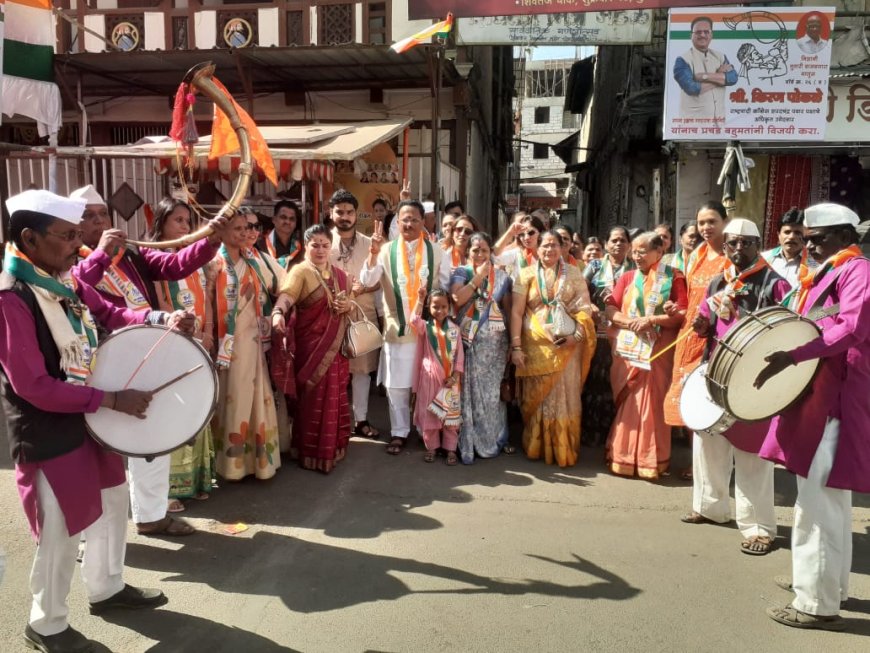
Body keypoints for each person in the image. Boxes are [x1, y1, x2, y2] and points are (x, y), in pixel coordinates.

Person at [0, 190, 194, 653]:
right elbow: (33, 387)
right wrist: (110, 399)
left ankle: (106, 588)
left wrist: (165, 317)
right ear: (29, 238)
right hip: (49, 430)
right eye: (67, 236)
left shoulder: (63, 280)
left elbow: (111, 313)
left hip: (91, 417)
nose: (78, 243)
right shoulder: (12, 297)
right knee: (61, 529)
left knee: (110, 506)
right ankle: (45, 623)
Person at [72, 184, 221, 537]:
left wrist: (211, 240)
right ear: (74, 227)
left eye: (102, 215)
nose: (98, 223)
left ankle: (151, 514)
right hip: (94, 360)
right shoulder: (71, 258)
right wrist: (102, 255)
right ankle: (88, 534)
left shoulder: (130, 255)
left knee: (147, 430)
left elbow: (172, 264)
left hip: (142, 349)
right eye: (88, 218)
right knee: (94, 446)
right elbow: (78, 289)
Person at [755, 203, 870, 631]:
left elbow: (852, 327)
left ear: (843, 236)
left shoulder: (857, 270)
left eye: (818, 240)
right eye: (808, 239)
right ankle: (829, 587)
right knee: (831, 500)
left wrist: (794, 355)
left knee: (816, 504)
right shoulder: (831, 272)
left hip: (833, 401)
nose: (810, 247)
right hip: (825, 396)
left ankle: (816, 604)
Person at [682, 219, 790, 557]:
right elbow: (704, 321)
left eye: (746, 243)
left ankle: (759, 527)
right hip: (717, 371)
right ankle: (711, 507)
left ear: (758, 245)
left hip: (754, 380)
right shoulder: (719, 280)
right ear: (725, 247)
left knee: (751, 454)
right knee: (709, 442)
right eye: (732, 244)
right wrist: (701, 324)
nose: (739, 250)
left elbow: (786, 328)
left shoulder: (775, 284)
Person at [360, 201, 446, 455]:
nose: (408, 224)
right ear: (397, 222)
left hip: (426, 330)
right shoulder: (385, 250)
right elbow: (367, 280)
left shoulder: (436, 251)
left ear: (423, 222)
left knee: (426, 383)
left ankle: (424, 429)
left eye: (414, 219)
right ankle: (399, 431)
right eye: (404, 219)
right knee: (397, 386)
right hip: (396, 329)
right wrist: (372, 254)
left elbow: (444, 285)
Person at [148, 198, 217, 511]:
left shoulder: (193, 259)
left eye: (188, 221)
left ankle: (195, 480)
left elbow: (207, 299)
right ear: (161, 223)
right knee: (171, 413)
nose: (185, 227)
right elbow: (162, 305)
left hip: (198, 340)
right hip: (172, 342)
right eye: (178, 220)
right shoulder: (155, 259)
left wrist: (208, 333)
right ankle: (167, 490)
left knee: (195, 408)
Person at [272, 224, 354, 473]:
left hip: (336, 347)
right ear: (305, 246)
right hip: (312, 349)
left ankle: (332, 447)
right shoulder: (300, 272)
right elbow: (287, 296)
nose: (320, 250)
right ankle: (309, 450)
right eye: (314, 245)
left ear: (331, 247)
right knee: (313, 398)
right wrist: (278, 312)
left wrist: (347, 305)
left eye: (325, 245)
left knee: (336, 395)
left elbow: (349, 301)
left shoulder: (340, 275)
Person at [605, 232, 687, 480]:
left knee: (652, 404)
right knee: (630, 402)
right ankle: (623, 457)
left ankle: (652, 460)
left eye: (642, 251)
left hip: (659, 350)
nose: (636, 255)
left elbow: (683, 312)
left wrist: (652, 319)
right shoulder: (628, 277)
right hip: (631, 350)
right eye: (635, 251)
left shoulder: (674, 277)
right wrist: (631, 323)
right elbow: (611, 308)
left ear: (659, 253)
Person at [510, 230, 595, 467]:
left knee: (565, 395)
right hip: (535, 344)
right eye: (545, 246)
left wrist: (576, 336)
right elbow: (516, 312)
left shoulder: (575, 274)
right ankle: (537, 446)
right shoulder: (525, 274)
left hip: (567, 346)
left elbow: (585, 310)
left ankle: (563, 448)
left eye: (554, 245)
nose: (549, 250)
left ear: (563, 248)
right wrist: (516, 347)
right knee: (538, 396)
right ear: (537, 249)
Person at [212, 212, 282, 481]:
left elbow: (285, 283)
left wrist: (279, 311)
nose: (244, 233)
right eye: (237, 228)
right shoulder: (213, 263)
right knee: (233, 398)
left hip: (253, 342)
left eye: (247, 228)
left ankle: (259, 461)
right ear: (221, 232)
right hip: (227, 344)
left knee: (256, 397)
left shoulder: (254, 260)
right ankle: (231, 465)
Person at [663, 202, 730, 462]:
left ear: (725, 221)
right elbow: (689, 298)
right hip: (687, 334)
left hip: (713, 337)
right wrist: (676, 309)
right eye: (701, 223)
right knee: (690, 397)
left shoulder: (730, 257)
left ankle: (716, 464)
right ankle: (699, 463)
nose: (705, 228)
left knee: (709, 398)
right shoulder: (697, 254)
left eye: (712, 221)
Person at [450, 232, 514, 464]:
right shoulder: (461, 273)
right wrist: (477, 278)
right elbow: (457, 299)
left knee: (491, 395)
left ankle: (494, 439)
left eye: (484, 250)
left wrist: (512, 345)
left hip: (495, 347)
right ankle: (468, 441)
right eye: (475, 250)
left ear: (490, 253)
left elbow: (508, 311)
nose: (479, 254)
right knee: (469, 393)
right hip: (469, 343)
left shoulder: (503, 278)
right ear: (467, 252)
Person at [327, 190, 382, 440]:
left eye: (349, 212)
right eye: (340, 212)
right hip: (330, 313)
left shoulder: (370, 244)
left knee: (361, 371)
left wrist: (356, 290)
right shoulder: (321, 243)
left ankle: (360, 420)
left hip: (361, 314)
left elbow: (379, 282)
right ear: (331, 213)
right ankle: (335, 420)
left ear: (355, 214)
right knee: (333, 370)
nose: (345, 216)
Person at [582, 226, 635, 447]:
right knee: (594, 380)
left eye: (623, 240)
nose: (618, 244)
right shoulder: (595, 266)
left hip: (624, 333)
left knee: (618, 381)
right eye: (614, 240)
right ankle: (590, 431)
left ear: (629, 245)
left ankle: (614, 434)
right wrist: (591, 306)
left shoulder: (634, 267)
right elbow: (580, 291)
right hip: (596, 332)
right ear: (606, 244)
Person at [410, 287, 465, 465]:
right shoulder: (426, 328)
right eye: (435, 307)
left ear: (449, 307)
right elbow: (413, 319)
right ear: (429, 307)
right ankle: (431, 448)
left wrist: (455, 376)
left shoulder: (455, 329)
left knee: (450, 417)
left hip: (450, 381)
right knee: (430, 415)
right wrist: (420, 298)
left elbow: (459, 357)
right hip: (430, 380)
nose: (440, 310)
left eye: (443, 306)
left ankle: (450, 449)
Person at [673, 16, 738, 121]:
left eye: (706, 32)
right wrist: (720, 77)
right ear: (691, 35)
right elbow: (692, 88)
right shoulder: (683, 60)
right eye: (698, 32)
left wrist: (703, 76)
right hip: (693, 124)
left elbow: (733, 78)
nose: (702, 35)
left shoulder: (720, 56)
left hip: (719, 123)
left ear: (711, 35)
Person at [762, 207, 818, 289]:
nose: (791, 237)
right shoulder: (764, 259)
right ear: (778, 235)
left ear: (806, 236)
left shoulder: (815, 263)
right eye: (787, 232)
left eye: (797, 233)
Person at [494, 213, 544, 280]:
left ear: (540, 232)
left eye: (531, 232)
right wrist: (509, 233)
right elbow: (494, 257)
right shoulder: (517, 254)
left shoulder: (550, 254)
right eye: (522, 234)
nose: (526, 237)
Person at [258, 199, 302, 271]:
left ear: (295, 223)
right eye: (283, 217)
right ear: (274, 220)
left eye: (292, 219)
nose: (287, 222)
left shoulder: (302, 248)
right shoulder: (260, 245)